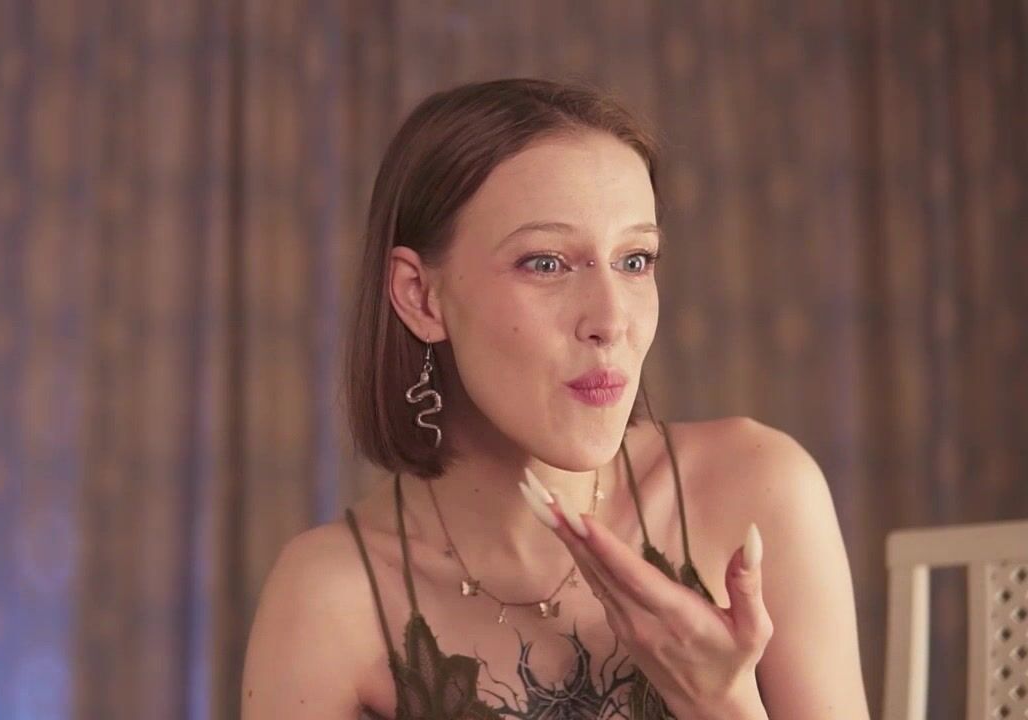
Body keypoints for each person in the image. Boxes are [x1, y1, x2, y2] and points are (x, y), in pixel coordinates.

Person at [242, 77, 871, 719]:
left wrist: (722, 702)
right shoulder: (331, 597)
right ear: (420, 296)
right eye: (546, 263)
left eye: (635, 260)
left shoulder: (757, 491)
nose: (611, 319)